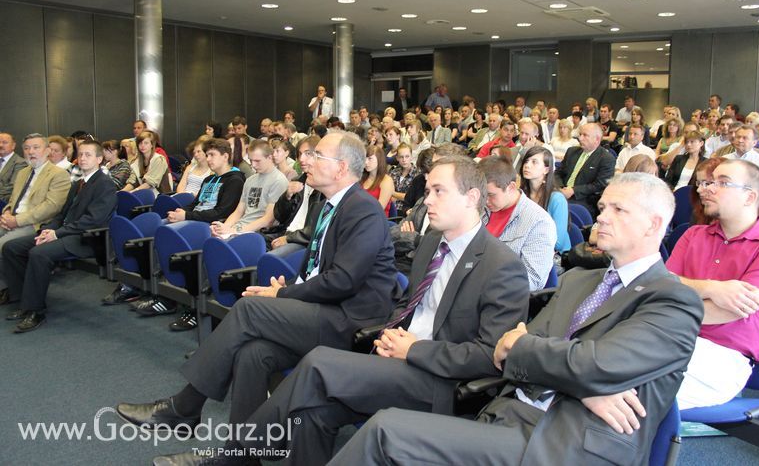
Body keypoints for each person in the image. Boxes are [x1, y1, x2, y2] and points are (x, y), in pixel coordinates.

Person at [153, 155, 531, 465]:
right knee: (312, 411)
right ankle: (248, 451)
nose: (426, 200)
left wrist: (413, 349)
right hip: (394, 359)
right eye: (427, 189)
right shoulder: (433, 244)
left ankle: (235, 456)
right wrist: (389, 338)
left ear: (471, 197)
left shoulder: (501, 265)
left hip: (438, 381)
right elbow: (407, 307)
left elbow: (490, 356)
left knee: (318, 363)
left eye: (438, 191)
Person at [328, 172, 704, 466]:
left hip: (569, 444)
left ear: (654, 225)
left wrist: (565, 369)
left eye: (617, 210)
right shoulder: (578, 279)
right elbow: (505, 352)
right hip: (508, 414)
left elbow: (593, 362)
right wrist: (582, 384)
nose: (601, 217)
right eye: (603, 207)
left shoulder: (673, 299)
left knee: (386, 432)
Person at [116, 131, 398, 444]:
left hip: (350, 323)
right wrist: (289, 285)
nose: (307, 160)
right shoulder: (328, 206)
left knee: (249, 308)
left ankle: (183, 408)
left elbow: (343, 281)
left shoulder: (363, 210)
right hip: (324, 311)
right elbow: (320, 268)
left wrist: (283, 294)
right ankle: (241, 453)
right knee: (253, 353)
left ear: (342, 168)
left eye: (317, 155)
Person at [667, 159, 759, 409]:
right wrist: (711, 289)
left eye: (723, 183)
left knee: (621, 388)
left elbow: (729, 310)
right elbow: (662, 287)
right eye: (708, 182)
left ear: (749, 197)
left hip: (722, 359)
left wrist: (673, 303)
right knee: (596, 375)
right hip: (671, 339)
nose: (707, 189)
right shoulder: (692, 235)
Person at [2, 140, 116, 333]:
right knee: (11, 248)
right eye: (80, 154)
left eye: (88, 155)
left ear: (99, 159)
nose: (82, 158)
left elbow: (92, 220)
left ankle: (35, 311)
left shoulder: (105, 185)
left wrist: (57, 233)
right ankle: (22, 299)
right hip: (66, 232)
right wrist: (48, 230)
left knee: (39, 253)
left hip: (87, 238)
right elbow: (62, 215)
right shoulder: (79, 183)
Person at [0, 134, 71, 301]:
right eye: (27, 148)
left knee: (3, 245)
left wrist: (17, 220)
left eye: (36, 147)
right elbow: (13, 199)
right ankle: (6, 286)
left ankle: (9, 289)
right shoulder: (23, 172)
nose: (31, 152)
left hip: (36, 224)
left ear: (47, 151)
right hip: (14, 218)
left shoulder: (58, 174)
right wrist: (7, 213)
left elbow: (51, 207)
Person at [480, 157, 556, 290]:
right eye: (482, 194)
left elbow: (533, 280)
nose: (485, 201)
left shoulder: (539, 222)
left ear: (511, 187)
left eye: (491, 195)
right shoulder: (481, 208)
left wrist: (483, 279)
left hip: (499, 295)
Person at [556, 123, 616, 217]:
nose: (580, 138)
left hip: (584, 199)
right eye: (580, 134)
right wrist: (559, 187)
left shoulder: (606, 159)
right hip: (561, 192)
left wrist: (573, 190)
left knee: (560, 210)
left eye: (585, 135)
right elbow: (559, 172)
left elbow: (599, 185)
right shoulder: (572, 151)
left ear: (596, 139)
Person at [520, 146, 570, 254]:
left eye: (534, 162)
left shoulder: (557, 199)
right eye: (526, 161)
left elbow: (558, 242)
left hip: (555, 256)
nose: (527, 165)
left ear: (546, 170)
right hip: (527, 248)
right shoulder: (521, 195)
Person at [360, 145, 395, 217]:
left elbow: (379, 209)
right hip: (361, 217)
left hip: (376, 220)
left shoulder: (386, 180)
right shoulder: (361, 178)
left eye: (370, 158)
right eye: (365, 158)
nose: (366, 162)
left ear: (379, 160)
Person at [389, 143, 418, 214]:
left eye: (407, 156)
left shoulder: (417, 174)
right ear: (397, 158)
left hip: (405, 212)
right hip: (390, 208)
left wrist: (393, 193)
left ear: (411, 157)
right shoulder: (393, 172)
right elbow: (387, 192)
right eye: (401, 157)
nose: (404, 160)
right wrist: (400, 196)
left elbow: (412, 198)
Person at [0, 133, 28, 204]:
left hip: (6, 202)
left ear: (13, 145)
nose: (1, 145)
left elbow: (13, 187)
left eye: (4, 142)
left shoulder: (21, 163)